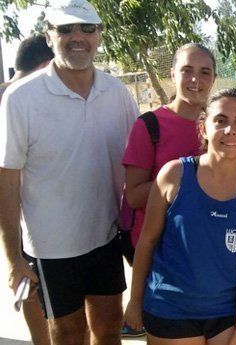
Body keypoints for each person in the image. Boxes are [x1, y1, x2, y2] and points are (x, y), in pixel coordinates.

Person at [0, 1, 139, 344]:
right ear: (49, 37)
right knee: (67, 334)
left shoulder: (118, 93)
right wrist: (13, 258)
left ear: (99, 36)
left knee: (108, 330)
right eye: (66, 29)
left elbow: (141, 161)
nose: (77, 37)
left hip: (106, 238)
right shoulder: (20, 99)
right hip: (51, 249)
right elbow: (7, 180)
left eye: (86, 28)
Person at [124, 89, 236, 344]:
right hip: (170, 308)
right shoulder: (173, 174)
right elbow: (147, 242)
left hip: (228, 311)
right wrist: (135, 301)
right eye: (220, 120)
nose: (230, 130)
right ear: (203, 128)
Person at [122, 43, 216, 257]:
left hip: (206, 247)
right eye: (187, 70)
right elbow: (134, 196)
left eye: (205, 72)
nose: (195, 79)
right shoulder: (149, 125)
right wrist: (187, 175)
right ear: (172, 74)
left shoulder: (222, 126)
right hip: (159, 252)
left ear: (213, 78)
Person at [0, 33, 53, 345]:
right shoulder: (20, 99)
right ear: (47, 64)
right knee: (31, 285)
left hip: (21, 220)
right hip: (24, 221)